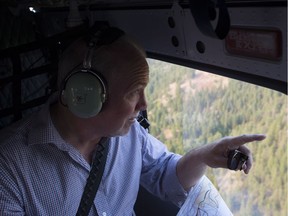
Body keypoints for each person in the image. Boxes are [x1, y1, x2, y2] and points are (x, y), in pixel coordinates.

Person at [0, 26, 266, 215]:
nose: (144, 105)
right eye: (133, 92)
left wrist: (204, 155)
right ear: (85, 97)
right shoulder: (9, 168)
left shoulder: (129, 134)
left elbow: (165, 174)